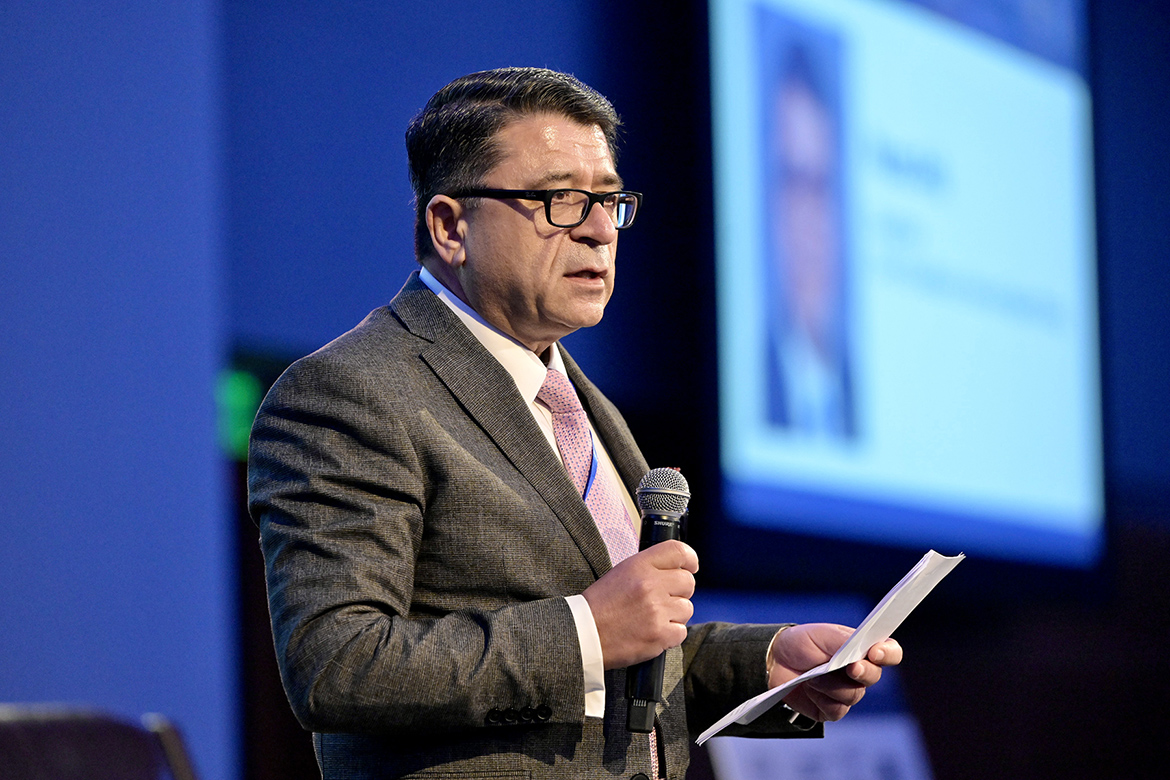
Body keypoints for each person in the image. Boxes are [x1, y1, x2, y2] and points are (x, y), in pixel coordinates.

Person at [248, 67, 901, 780]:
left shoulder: (581, 400)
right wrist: (586, 629)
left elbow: (623, 659)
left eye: (610, 200)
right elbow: (337, 666)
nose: (597, 230)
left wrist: (767, 665)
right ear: (450, 225)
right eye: (561, 200)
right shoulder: (350, 392)